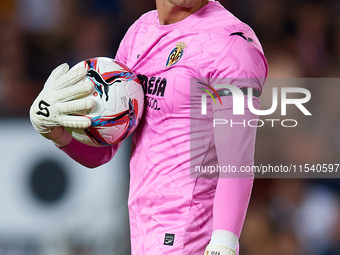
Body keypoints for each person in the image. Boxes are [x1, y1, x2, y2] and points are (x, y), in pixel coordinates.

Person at [29, 0, 267, 254]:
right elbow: (105, 150)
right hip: (143, 231)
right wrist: (58, 134)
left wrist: (224, 241)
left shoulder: (232, 44)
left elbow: (237, 159)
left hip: (191, 235)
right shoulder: (139, 33)